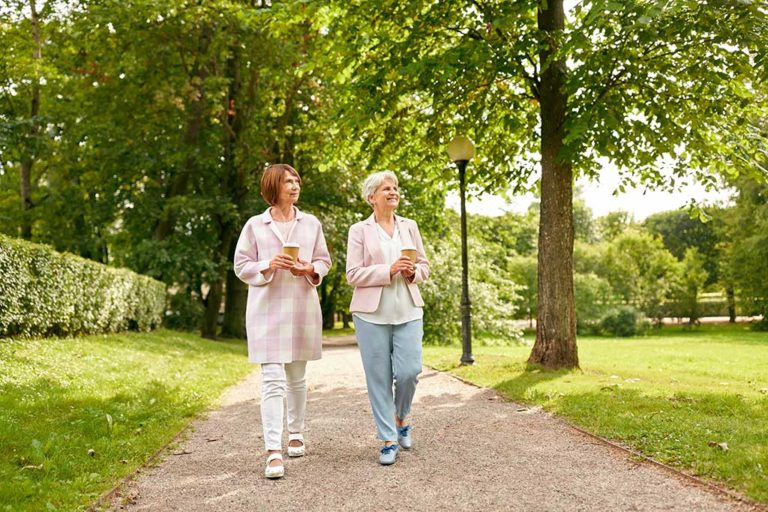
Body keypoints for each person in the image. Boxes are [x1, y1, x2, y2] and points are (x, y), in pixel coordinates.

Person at [234, 164, 331, 479]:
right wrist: (268, 264)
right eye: (288, 181)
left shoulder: (311, 223)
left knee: (297, 378)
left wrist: (309, 268)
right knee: (272, 380)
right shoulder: (255, 225)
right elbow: (241, 265)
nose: (295, 185)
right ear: (273, 186)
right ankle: (273, 452)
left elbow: (324, 261)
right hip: (266, 311)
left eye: (297, 180)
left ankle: (297, 433)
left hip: (301, 307)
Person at [345, 171, 430, 465]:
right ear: (372, 197)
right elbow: (352, 274)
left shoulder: (410, 226)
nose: (393, 192)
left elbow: (424, 266)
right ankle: (388, 439)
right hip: (371, 315)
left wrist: (412, 272)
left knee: (410, 371)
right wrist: (389, 270)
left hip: (408, 309)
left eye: (395, 188)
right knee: (378, 378)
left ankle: (400, 416)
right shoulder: (359, 230)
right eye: (386, 188)